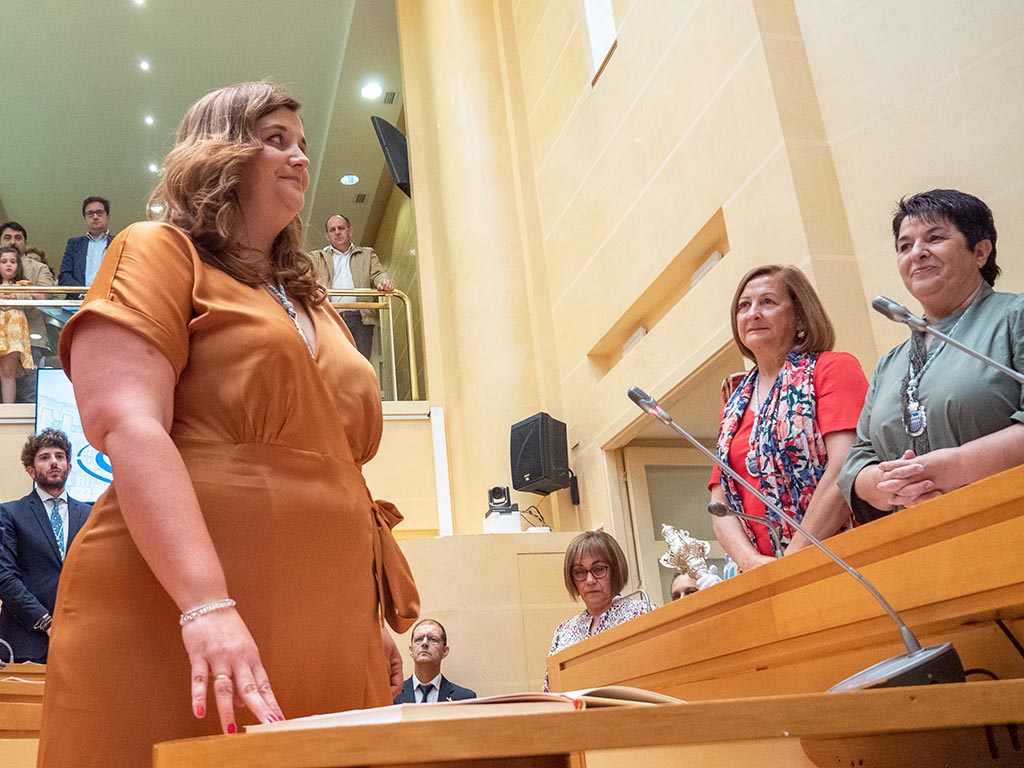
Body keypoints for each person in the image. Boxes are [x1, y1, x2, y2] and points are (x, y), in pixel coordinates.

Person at [36, 82, 417, 768]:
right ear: (219, 153)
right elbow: (129, 425)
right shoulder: (159, 251)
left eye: (303, 144)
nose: (300, 157)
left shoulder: (314, 304)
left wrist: (366, 615)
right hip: (173, 611)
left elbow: (339, 469)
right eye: (275, 139)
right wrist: (204, 604)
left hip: (330, 621)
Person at [839, 189, 1024, 519]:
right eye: (904, 246)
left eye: (934, 238)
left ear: (980, 252)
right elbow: (858, 458)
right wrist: (882, 483)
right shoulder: (890, 364)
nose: (917, 253)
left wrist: (957, 465)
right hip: (920, 538)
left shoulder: (1015, 316)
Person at [709, 265, 868, 573]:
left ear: (800, 317)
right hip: (763, 575)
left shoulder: (833, 369)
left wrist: (793, 561)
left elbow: (845, 468)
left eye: (768, 302)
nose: (753, 313)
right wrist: (750, 562)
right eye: (744, 305)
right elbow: (720, 504)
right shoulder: (734, 404)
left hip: (841, 561)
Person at [0, 429, 91, 662]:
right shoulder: (9, 513)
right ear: (30, 470)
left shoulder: (91, 515)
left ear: (69, 467)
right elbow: (5, 577)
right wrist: (46, 622)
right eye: (44, 457)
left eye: (60, 456)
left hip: (81, 641)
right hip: (25, 642)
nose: (54, 462)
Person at [543, 530, 650, 692]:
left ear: (615, 571)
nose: (590, 580)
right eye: (579, 572)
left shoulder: (641, 614)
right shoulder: (563, 631)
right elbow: (550, 689)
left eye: (599, 569)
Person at [308, 213, 394, 361]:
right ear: (327, 236)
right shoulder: (316, 258)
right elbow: (305, 275)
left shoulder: (367, 254)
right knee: (334, 363)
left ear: (350, 231)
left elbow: (378, 274)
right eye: (332, 230)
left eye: (341, 228)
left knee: (361, 363)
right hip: (330, 317)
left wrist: (384, 281)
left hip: (360, 318)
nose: (337, 232)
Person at [0, 221, 55, 399]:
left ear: (25, 242)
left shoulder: (39, 268)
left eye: (18, 238)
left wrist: (15, 296)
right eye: (7, 237)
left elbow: (44, 297)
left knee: (30, 398)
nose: (13, 242)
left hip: (31, 340)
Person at [393, 619, 477, 703]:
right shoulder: (393, 695)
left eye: (433, 639)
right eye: (419, 639)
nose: (424, 643)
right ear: (411, 650)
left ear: (445, 651)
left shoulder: (465, 699)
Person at [0, 246, 35, 402]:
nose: (9, 265)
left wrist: (15, 296)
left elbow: (31, 301)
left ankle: (8, 409)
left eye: (13, 262)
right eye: (4, 261)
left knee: (8, 370)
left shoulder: (23, 285)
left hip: (13, 333)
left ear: (18, 265)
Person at [58, 196, 115, 288]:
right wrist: (81, 294)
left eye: (99, 212)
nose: (95, 217)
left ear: (107, 216)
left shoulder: (119, 242)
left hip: (109, 295)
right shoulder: (74, 244)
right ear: (85, 217)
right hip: (80, 296)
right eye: (90, 214)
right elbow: (64, 276)